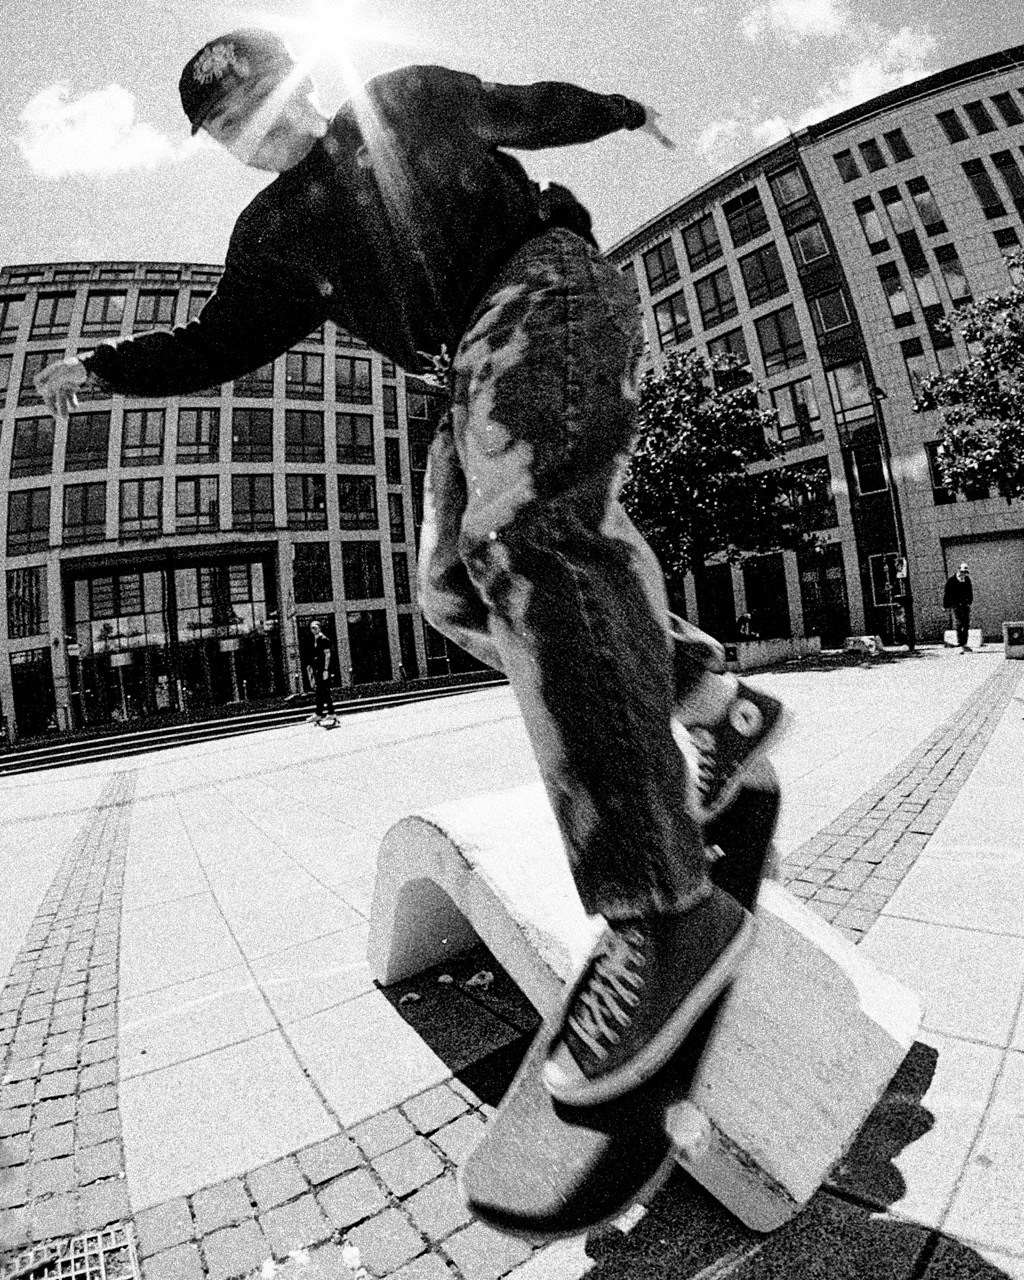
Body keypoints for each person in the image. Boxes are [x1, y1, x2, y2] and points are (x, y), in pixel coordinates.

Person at [36, 30, 784, 1107]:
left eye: (260, 104)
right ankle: (712, 702)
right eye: (229, 131)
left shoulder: (408, 99)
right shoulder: (272, 235)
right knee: (449, 585)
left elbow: (528, 103)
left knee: (527, 545)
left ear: (300, 77)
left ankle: (664, 905)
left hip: (545, 286)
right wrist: (101, 366)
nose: (255, 135)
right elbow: (217, 343)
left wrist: (618, 106)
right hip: (464, 365)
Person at [307, 619, 336, 725]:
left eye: (315, 627)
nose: (313, 630)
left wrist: (326, 669)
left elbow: (327, 655)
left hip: (323, 669)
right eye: (311, 628)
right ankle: (320, 713)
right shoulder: (315, 639)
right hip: (318, 669)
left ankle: (328, 712)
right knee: (320, 691)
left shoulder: (323, 639)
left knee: (324, 691)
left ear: (319, 628)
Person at [943, 562, 974, 651]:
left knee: (966, 623)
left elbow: (970, 591)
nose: (963, 574)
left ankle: (964, 642)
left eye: (965, 572)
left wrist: (969, 601)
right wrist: (946, 605)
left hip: (965, 604)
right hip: (956, 604)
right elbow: (947, 593)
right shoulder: (952, 580)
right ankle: (960, 642)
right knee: (959, 622)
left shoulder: (967, 580)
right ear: (958, 570)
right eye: (962, 572)